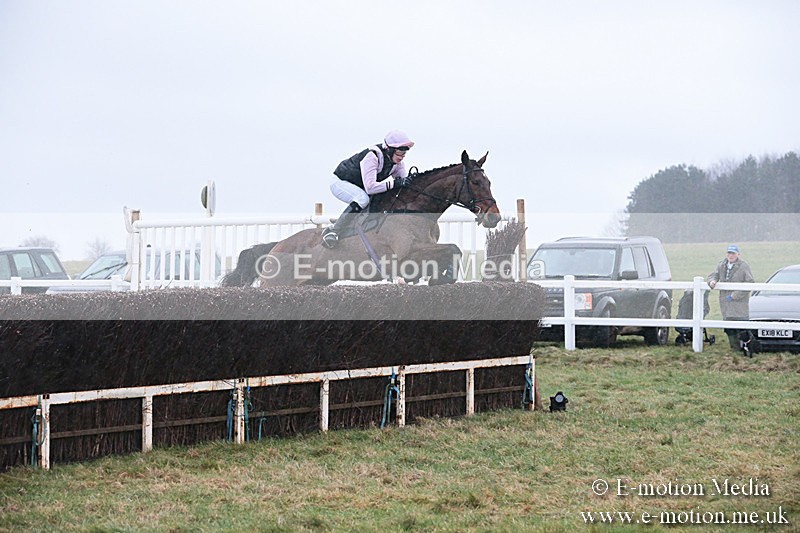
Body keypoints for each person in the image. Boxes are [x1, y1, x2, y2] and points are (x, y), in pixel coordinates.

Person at [321, 130, 415, 249]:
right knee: (362, 199)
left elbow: (403, 185)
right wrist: (395, 183)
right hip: (340, 182)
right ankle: (334, 231)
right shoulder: (372, 156)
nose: (402, 156)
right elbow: (371, 188)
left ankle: (348, 222)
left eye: (404, 152)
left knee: (380, 197)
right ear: (389, 149)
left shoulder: (398, 164)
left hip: (360, 186)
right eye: (399, 152)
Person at [707, 244, 755, 349]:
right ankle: (734, 348)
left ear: (738, 254)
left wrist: (734, 295)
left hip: (739, 304)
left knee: (741, 327)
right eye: (729, 253)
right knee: (729, 328)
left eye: (733, 253)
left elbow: (749, 283)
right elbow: (713, 274)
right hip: (725, 303)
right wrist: (712, 281)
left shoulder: (744, 266)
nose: (731, 255)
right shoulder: (722, 265)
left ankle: (745, 348)